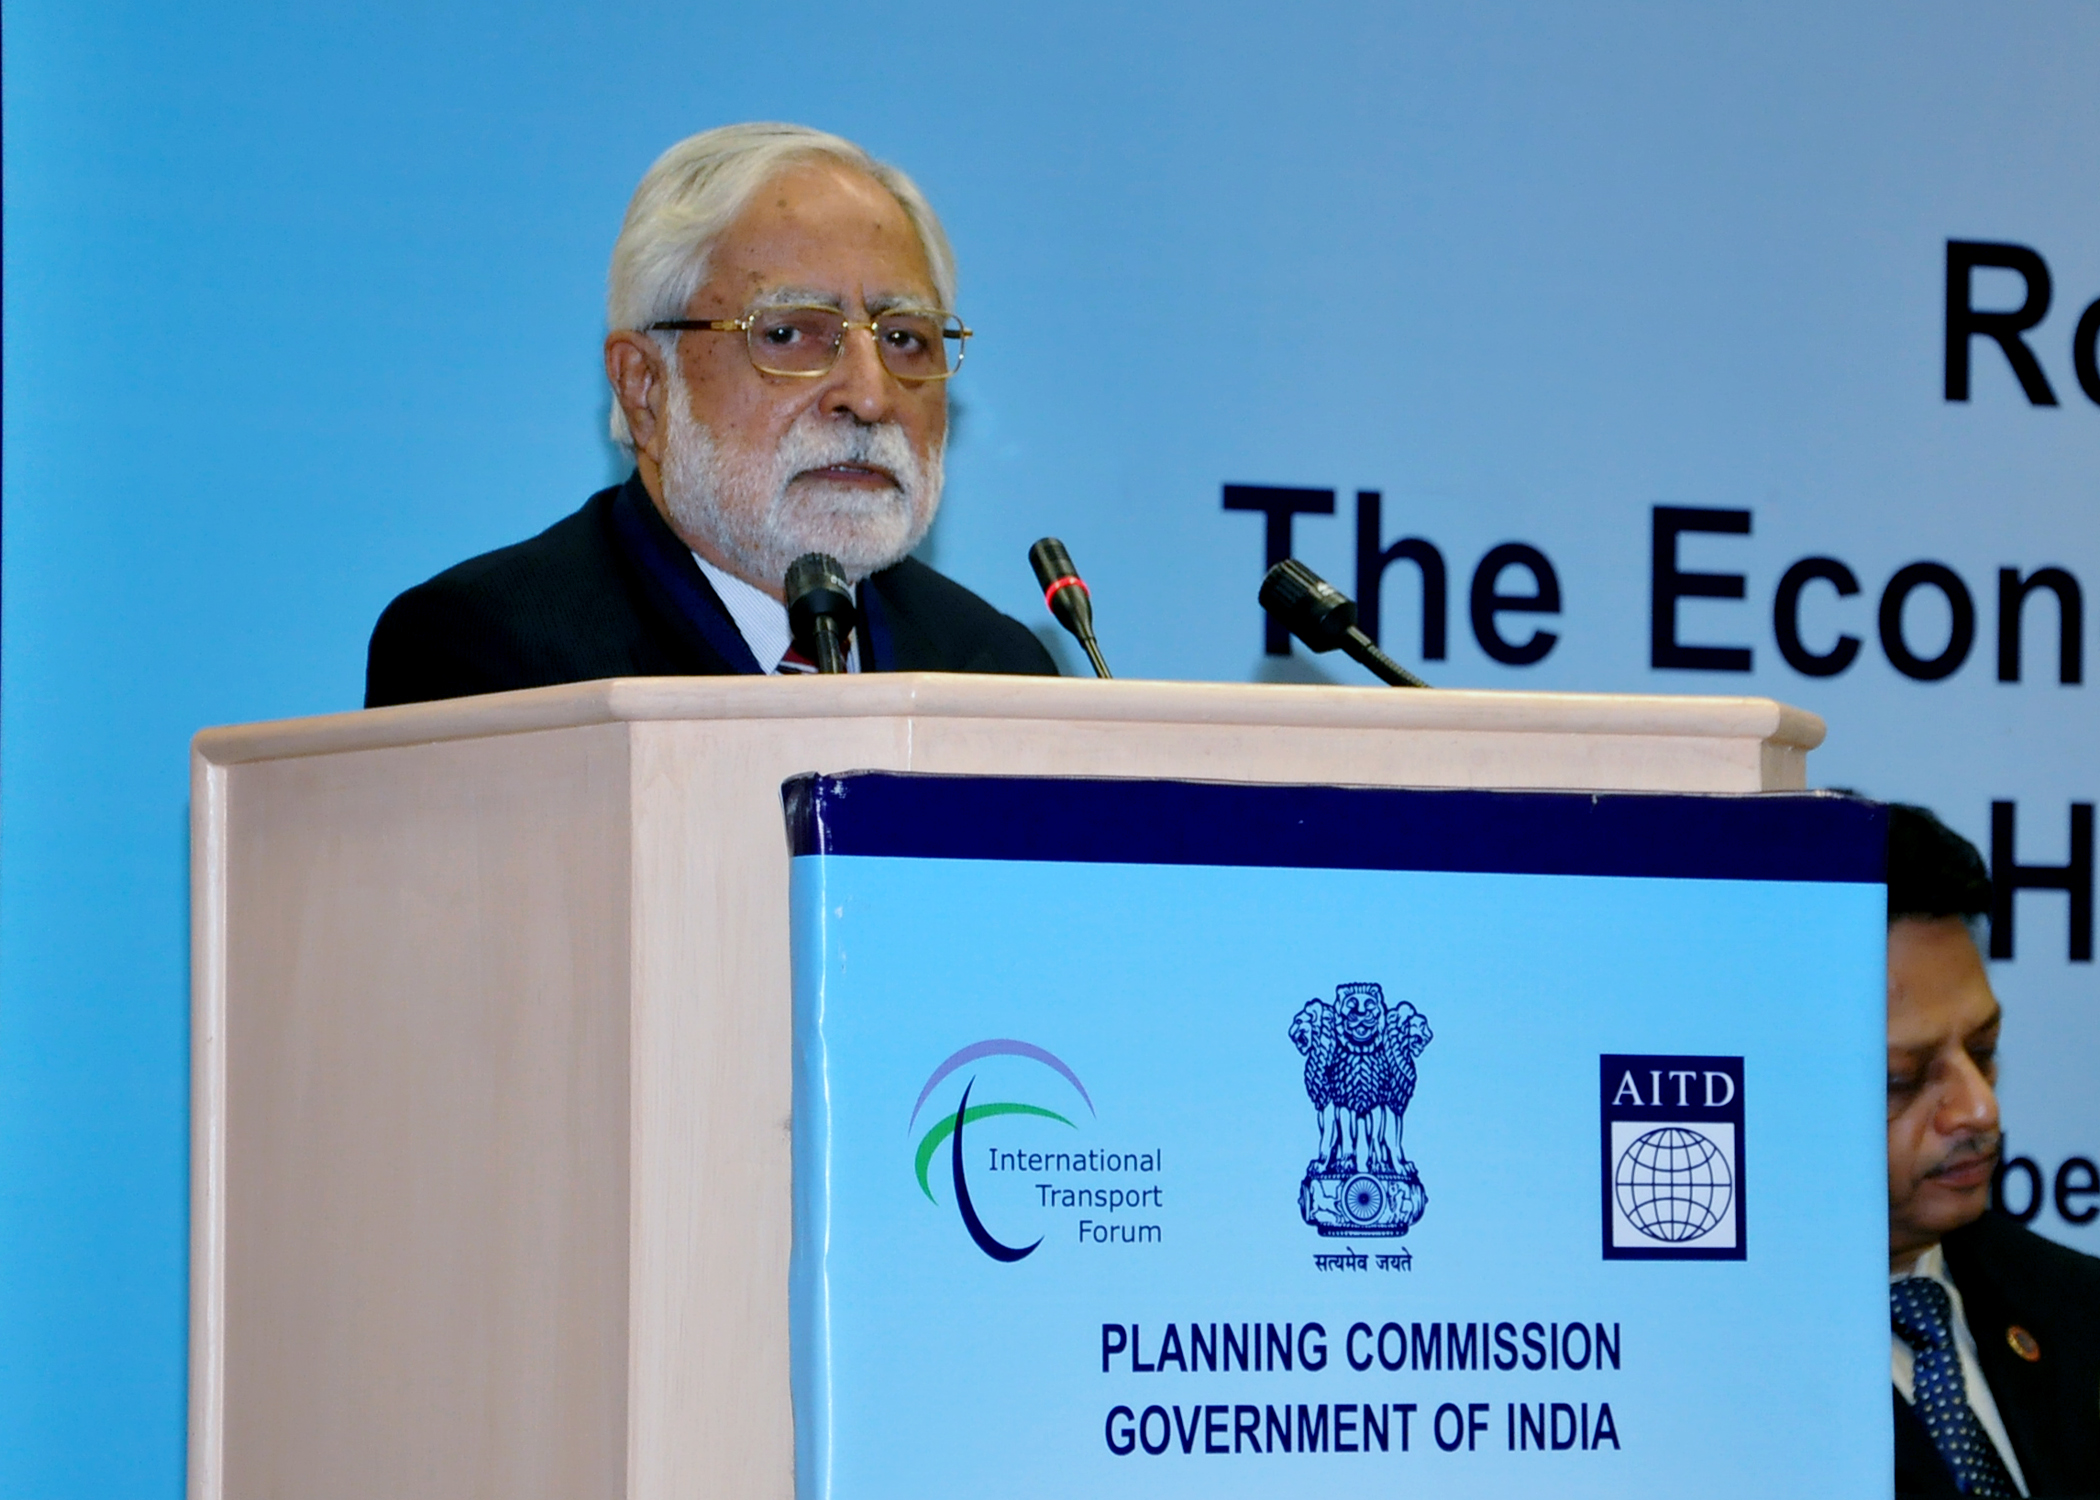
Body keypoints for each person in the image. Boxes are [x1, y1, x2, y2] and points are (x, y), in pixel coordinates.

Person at [364, 124, 1055, 707]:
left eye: (903, 338)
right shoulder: (492, 656)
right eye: (787, 333)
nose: (869, 397)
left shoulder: (995, 668)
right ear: (644, 387)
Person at [1884, 803, 2100, 1498]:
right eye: (1903, 1078)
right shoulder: (1695, 1379)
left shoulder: (2080, 1311)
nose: (1980, 1109)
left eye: (1983, 1051)